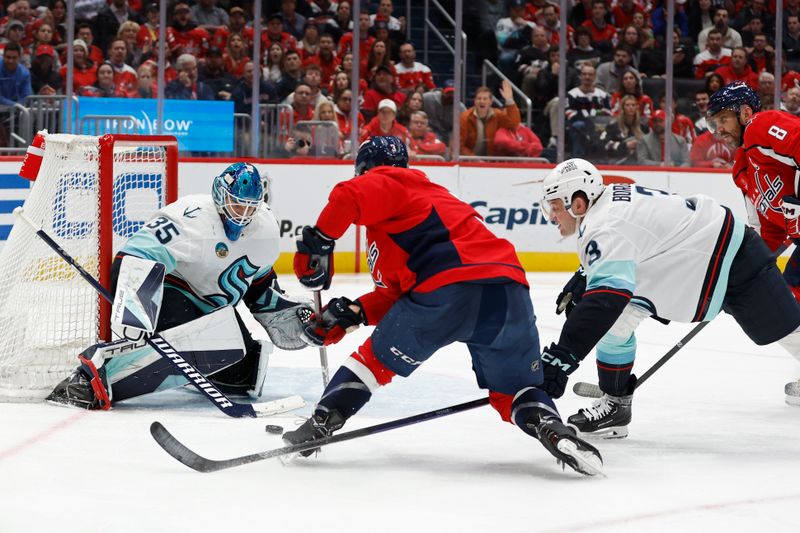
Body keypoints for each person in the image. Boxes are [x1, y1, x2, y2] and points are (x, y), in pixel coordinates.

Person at [283, 136, 604, 476]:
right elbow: (395, 295)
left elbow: (348, 195)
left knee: (372, 361)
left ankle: (321, 423)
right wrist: (356, 311)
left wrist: (318, 241)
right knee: (515, 391)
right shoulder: (427, 202)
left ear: (366, 170)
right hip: (506, 290)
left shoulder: (394, 181)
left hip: (444, 290)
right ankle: (550, 426)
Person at [539, 157, 800, 440]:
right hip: (691, 263)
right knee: (615, 326)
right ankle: (616, 405)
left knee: (787, 331)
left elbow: (606, 299)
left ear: (578, 204)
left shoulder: (603, 225)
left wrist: (563, 357)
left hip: (733, 258)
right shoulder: (609, 199)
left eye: (554, 207)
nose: (551, 215)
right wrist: (585, 273)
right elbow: (632, 238)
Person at [47, 163, 312, 409]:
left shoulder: (265, 229)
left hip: (213, 311)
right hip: (171, 293)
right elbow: (134, 254)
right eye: (236, 204)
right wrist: (137, 307)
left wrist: (286, 311)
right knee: (206, 343)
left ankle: (192, 363)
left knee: (245, 371)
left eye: (249, 208)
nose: (242, 215)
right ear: (220, 195)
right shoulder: (189, 217)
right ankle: (89, 379)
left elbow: (259, 284)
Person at [709, 82, 800, 315]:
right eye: (715, 123)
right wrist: (740, 279)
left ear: (745, 113)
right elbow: (768, 233)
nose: (718, 130)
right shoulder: (742, 169)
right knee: (793, 281)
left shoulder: (760, 125)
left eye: (723, 119)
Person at [460, 80, 521, 157]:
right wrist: (474, 159)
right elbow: (459, 145)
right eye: (479, 98)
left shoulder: (498, 115)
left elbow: (514, 123)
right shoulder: (465, 117)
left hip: (493, 160)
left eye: (485, 99)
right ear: (474, 101)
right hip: (471, 161)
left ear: (491, 102)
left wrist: (510, 101)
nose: (481, 101)